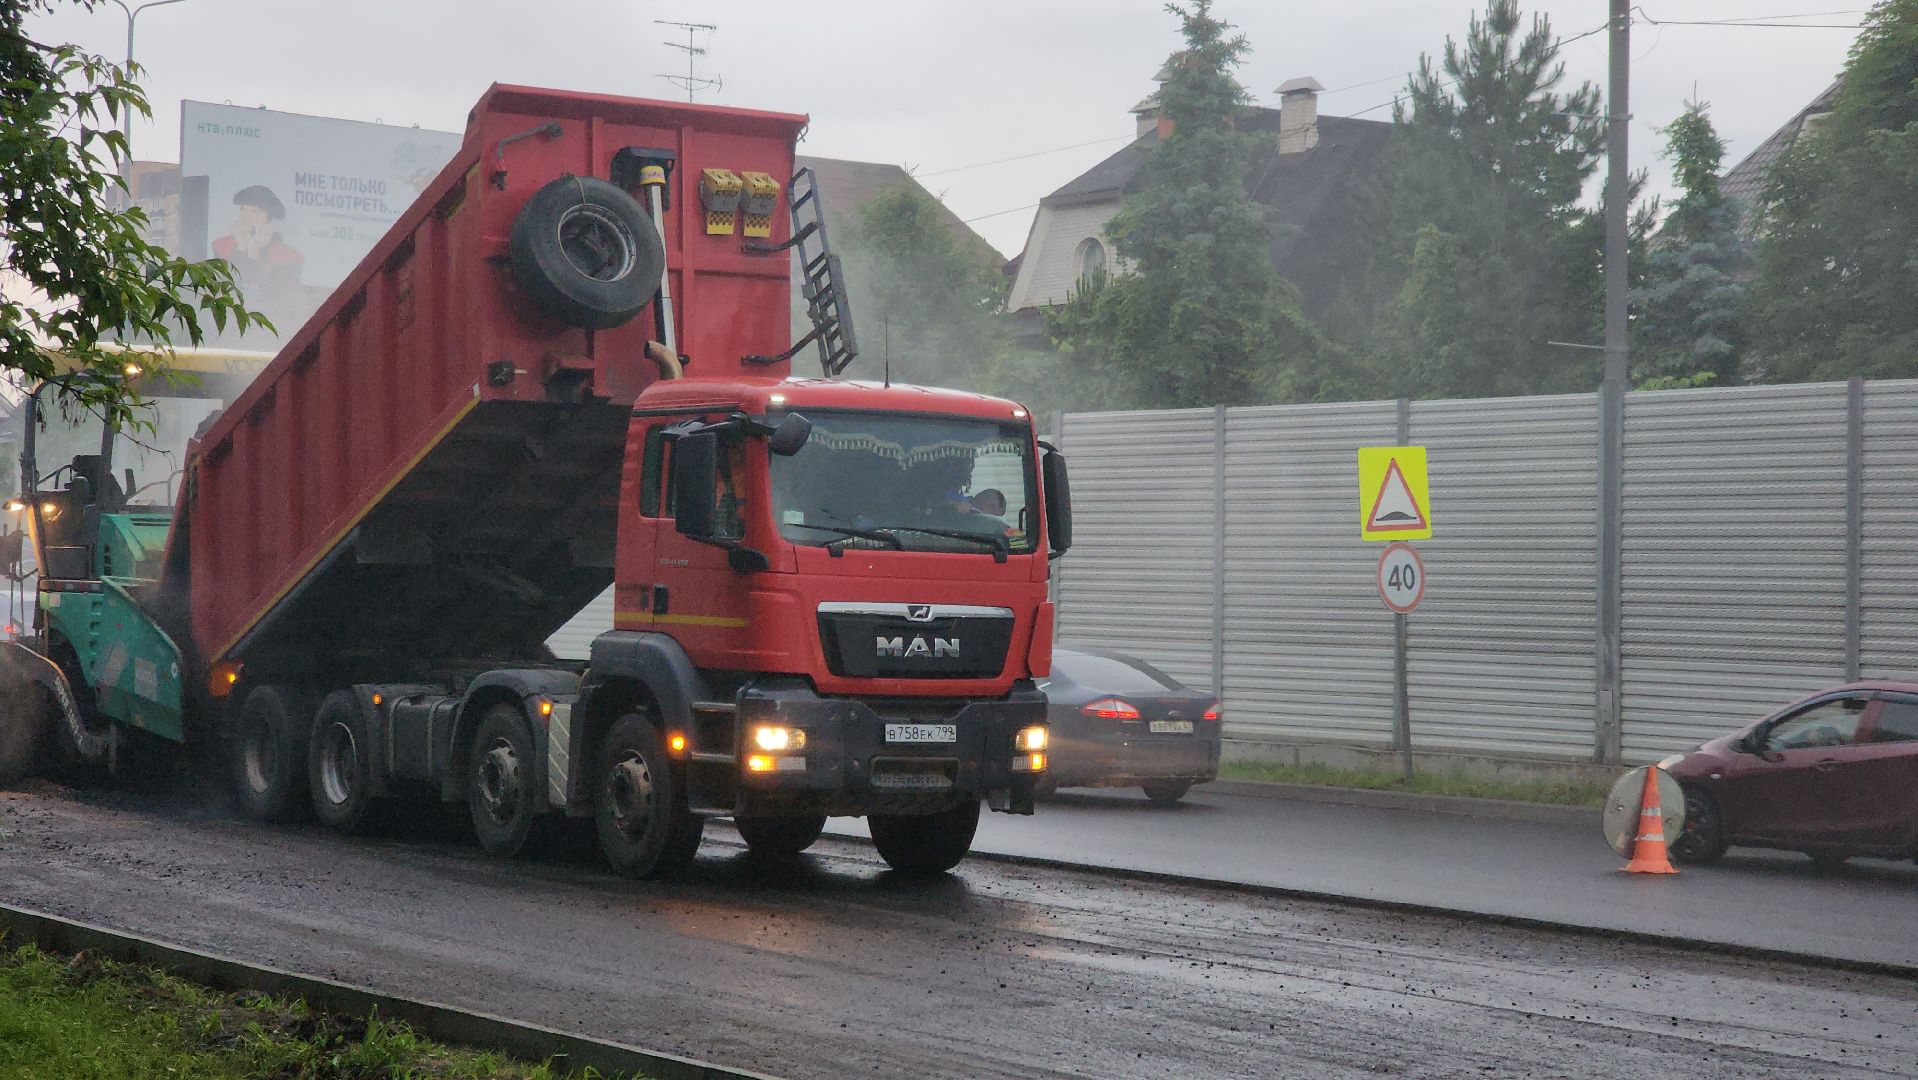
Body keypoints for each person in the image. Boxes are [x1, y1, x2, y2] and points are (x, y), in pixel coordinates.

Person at [211, 185, 304, 297]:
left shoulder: (289, 256)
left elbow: (272, 294)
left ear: (268, 218)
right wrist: (240, 246)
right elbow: (228, 286)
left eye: (256, 213)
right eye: (243, 211)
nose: (247, 218)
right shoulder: (221, 246)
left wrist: (253, 250)